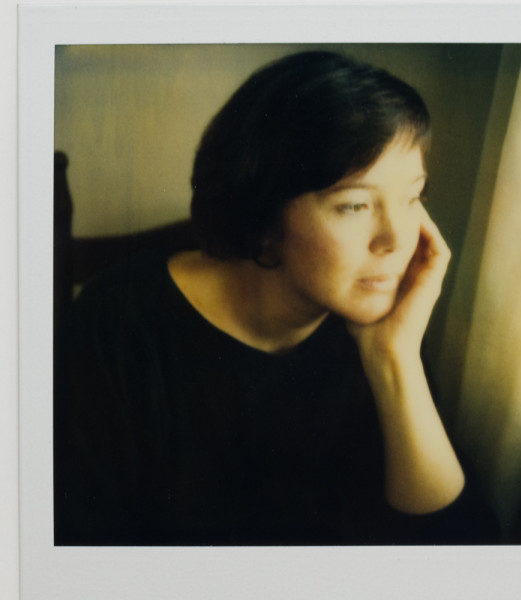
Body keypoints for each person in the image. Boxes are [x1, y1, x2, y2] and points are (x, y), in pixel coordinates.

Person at [54, 50, 498, 546]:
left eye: (413, 196)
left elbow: (463, 552)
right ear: (262, 218)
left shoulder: (383, 326)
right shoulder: (115, 329)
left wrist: (395, 361)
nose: (397, 239)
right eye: (355, 205)